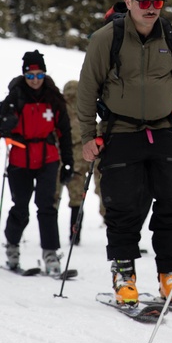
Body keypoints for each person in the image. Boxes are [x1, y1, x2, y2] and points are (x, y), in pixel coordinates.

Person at [76, 0, 172, 305]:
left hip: (162, 131)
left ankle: (171, 273)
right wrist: (88, 136)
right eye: (144, 2)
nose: (151, 9)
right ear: (128, 2)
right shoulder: (106, 39)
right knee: (123, 205)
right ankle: (124, 273)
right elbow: (87, 89)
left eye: (157, 3)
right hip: (121, 131)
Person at [0, 50, 74, 276]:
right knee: (20, 207)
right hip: (21, 158)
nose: (35, 80)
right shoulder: (16, 96)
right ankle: (12, 247)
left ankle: (50, 253)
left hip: (48, 158)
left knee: (47, 206)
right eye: (30, 76)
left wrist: (68, 162)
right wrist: (5, 124)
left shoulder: (53, 98)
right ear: (25, 76)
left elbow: (65, 132)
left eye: (39, 75)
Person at [59, 79, 103, 245]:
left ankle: (67, 236)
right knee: (79, 199)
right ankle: (75, 236)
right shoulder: (86, 109)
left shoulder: (62, 110)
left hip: (66, 160)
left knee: (63, 199)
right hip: (86, 158)